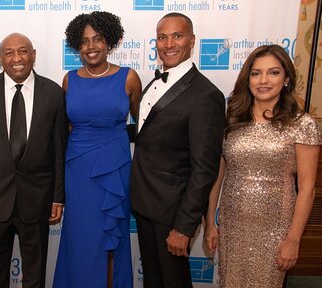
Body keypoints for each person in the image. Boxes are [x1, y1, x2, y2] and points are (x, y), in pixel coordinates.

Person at [204, 44, 321, 288]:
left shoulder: (302, 124)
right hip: (232, 225)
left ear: (286, 78)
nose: (263, 80)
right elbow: (217, 174)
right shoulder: (232, 119)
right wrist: (210, 222)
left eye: (273, 73)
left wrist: (293, 239)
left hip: (276, 229)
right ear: (248, 79)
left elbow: (308, 187)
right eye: (256, 73)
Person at [130, 12, 226, 287]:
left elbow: (205, 169)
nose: (168, 43)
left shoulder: (206, 95)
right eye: (162, 37)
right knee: (154, 280)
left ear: (192, 41)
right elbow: (151, 135)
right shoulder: (155, 82)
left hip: (173, 213)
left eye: (177, 35)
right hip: (146, 203)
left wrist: (184, 227)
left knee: (174, 281)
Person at [0, 33, 67, 288]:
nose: (17, 58)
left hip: (37, 199)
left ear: (33, 54)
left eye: (23, 51)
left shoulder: (53, 93)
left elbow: (59, 150)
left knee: (35, 276)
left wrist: (57, 196)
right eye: (9, 53)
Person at [52, 11, 142, 288]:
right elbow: (66, 130)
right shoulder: (69, 80)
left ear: (110, 42)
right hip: (78, 171)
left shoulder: (129, 78)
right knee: (80, 238)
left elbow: (143, 128)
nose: (91, 46)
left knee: (111, 237)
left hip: (114, 168)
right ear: (77, 46)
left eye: (98, 39)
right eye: (84, 41)